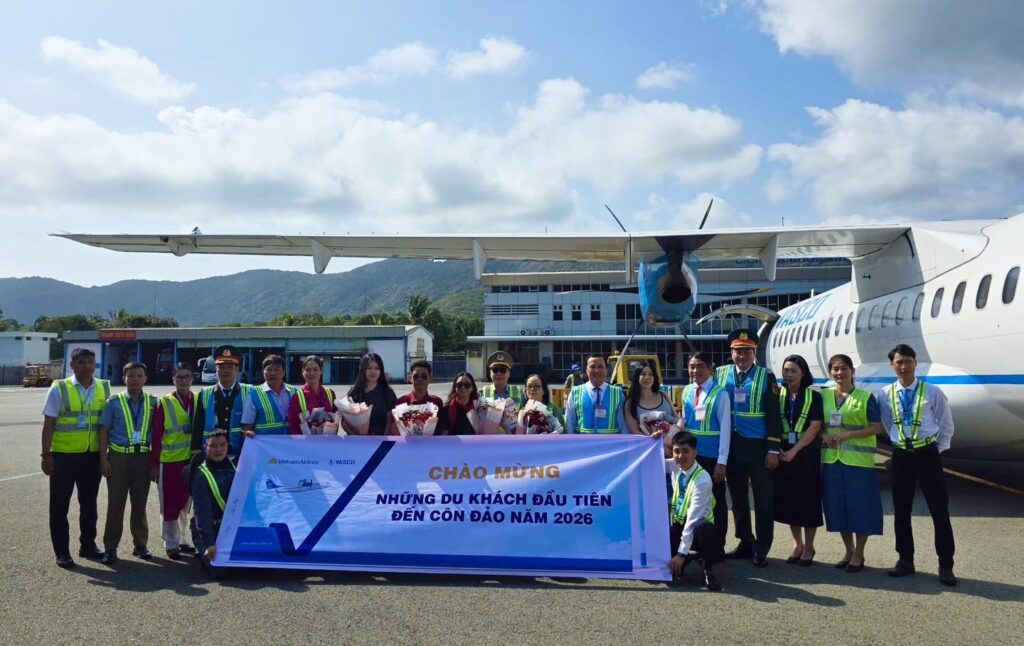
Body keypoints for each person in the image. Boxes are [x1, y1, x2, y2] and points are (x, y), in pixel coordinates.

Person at [877, 344, 957, 586]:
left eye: (908, 362)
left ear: (915, 363)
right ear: (892, 365)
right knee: (902, 510)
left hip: (927, 454)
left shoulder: (932, 392)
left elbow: (946, 425)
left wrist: (934, 450)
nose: (904, 367)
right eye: (899, 362)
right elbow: (887, 422)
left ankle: (946, 565)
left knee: (939, 510)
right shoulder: (885, 394)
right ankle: (905, 559)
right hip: (901, 455)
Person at [714, 328, 782, 567]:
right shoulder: (720, 374)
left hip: (758, 447)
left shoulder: (766, 376)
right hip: (731, 446)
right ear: (731, 352)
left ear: (754, 352)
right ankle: (745, 541)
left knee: (763, 499)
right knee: (738, 498)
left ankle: (762, 547)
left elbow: (774, 414)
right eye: (738, 351)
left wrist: (774, 449)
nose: (742, 356)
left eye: (747, 351)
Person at [40, 347, 111, 569]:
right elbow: (49, 424)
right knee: (59, 506)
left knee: (89, 504)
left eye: (91, 362)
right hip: (63, 457)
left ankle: (88, 545)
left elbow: (105, 425)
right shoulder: (59, 388)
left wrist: (104, 455)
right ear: (72, 365)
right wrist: (46, 455)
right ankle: (62, 551)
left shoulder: (103, 387)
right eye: (81, 362)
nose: (87, 366)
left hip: (91, 456)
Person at [820, 354, 883, 573]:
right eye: (835, 369)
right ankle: (848, 549)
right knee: (838, 508)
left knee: (860, 508)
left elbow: (876, 427)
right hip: (831, 460)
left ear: (852, 371)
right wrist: (823, 433)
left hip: (859, 462)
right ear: (830, 372)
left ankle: (859, 553)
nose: (840, 373)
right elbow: (816, 423)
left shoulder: (865, 398)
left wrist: (848, 435)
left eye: (844, 368)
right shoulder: (823, 396)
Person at [97, 362, 158, 564]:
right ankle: (110, 547)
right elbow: (103, 430)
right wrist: (103, 459)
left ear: (145, 378)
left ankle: (140, 544)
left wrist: (156, 463)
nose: (135, 379)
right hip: (119, 458)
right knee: (116, 504)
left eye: (139, 375)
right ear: (124, 379)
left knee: (139, 504)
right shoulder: (113, 402)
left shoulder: (154, 402)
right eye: (131, 376)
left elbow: (159, 434)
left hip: (143, 458)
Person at [675, 352, 731, 557]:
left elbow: (725, 428)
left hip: (712, 457)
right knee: (693, 499)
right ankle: (695, 544)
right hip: (691, 456)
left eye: (699, 366)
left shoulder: (720, 393)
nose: (695, 371)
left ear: (710, 369)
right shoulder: (687, 391)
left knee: (716, 501)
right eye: (691, 366)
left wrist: (722, 461)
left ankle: (718, 547)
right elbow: (684, 420)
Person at [775, 354, 824, 566]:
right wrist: (779, 449)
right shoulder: (779, 394)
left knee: (808, 500)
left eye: (794, 370)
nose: (789, 375)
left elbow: (815, 426)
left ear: (803, 373)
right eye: (786, 370)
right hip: (783, 453)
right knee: (790, 501)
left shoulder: (814, 396)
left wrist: (794, 450)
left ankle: (810, 546)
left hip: (805, 454)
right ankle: (797, 544)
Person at [150, 362, 198, 560]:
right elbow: (156, 435)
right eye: (179, 377)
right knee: (169, 504)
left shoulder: (197, 399)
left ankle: (182, 539)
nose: (183, 380)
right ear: (173, 379)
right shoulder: (165, 402)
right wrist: (154, 464)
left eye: (187, 376)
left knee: (184, 503)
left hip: (190, 460)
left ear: (192, 379)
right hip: (169, 461)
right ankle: (170, 543)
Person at [666, 431, 723, 591]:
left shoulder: (703, 479)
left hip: (698, 529)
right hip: (678, 525)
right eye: (677, 451)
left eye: (685, 451)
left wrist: (681, 554)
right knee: (671, 573)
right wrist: (653, 441)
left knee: (702, 527)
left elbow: (692, 519)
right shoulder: (674, 465)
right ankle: (688, 559)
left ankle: (707, 568)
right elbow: (650, 459)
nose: (680, 456)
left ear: (695, 453)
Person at [189, 429, 235, 578]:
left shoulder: (236, 467)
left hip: (231, 527)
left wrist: (252, 438)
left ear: (228, 446)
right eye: (213, 445)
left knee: (255, 566)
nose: (218, 449)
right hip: (209, 528)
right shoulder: (201, 476)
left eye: (222, 445)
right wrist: (209, 543)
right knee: (222, 571)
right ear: (205, 447)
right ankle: (203, 551)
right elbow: (202, 513)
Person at [191, 345, 252, 456]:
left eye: (230, 366)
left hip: (240, 452)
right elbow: (198, 426)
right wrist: (196, 452)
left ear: (237, 369)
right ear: (216, 369)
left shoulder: (249, 391)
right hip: (213, 453)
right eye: (221, 367)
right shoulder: (205, 393)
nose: (225, 370)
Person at [241, 354, 297, 444]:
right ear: (263, 372)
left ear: (284, 372)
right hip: (266, 449)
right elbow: (247, 426)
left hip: (291, 446)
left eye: (277, 370)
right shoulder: (254, 394)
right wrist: (247, 434)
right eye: (269, 370)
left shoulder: (295, 392)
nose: (273, 373)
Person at [565, 354, 627, 434]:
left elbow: (624, 425)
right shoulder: (575, 393)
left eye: (600, 367)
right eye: (592, 367)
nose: (597, 370)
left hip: (610, 445)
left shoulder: (618, 393)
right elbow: (569, 422)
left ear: (606, 370)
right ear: (586, 370)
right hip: (583, 444)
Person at [343, 353, 397, 435]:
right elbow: (344, 421)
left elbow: (389, 423)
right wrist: (354, 434)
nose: (373, 371)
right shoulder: (354, 392)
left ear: (381, 370)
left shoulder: (387, 392)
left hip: (380, 442)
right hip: (358, 443)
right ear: (362, 369)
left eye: (376, 368)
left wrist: (383, 439)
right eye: (369, 368)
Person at [624, 363, 678, 435]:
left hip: (670, 444)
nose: (647, 377)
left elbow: (676, 420)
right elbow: (634, 431)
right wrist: (652, 439)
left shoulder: (664, 395)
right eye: (643, 374)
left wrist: (670, 436)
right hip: (647, 445)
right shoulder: (630, 403)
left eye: (650, 374)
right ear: (637, 377)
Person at [289, 355, 337, 435]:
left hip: (327, 442)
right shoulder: (297, 396)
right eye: (308, 370)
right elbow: (294, 426)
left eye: (315, 369)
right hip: (307, 443)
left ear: (321, 371)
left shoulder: (330, 393)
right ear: (303, 372)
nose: (312, 373)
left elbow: (335, 420)